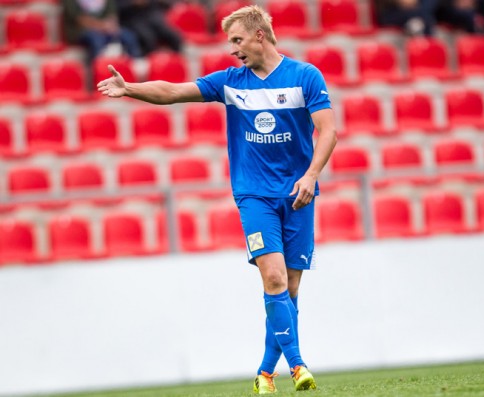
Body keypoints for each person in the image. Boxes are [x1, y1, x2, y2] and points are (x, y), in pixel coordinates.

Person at [97, 4, 337, 394]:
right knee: (273, 276)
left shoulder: (305, 77)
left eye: (237, 40)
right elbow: (174, 91)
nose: (233, 49)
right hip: (254, 195)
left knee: (289, 291)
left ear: (259, 35)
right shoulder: (230, 81)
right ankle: (298, 366)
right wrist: (131, 90)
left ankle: (263, 373)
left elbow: (328, 131)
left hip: (298, 195)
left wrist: (311, 175)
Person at [62, 0, 143, 65]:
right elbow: (80, 19)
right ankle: (100, 71)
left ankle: (135, 69)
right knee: (96, 39)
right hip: (80, 31)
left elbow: (112, 15)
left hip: (105, 29)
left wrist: (111, 26)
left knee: (128, 36)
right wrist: (101, 26)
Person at [116, 0, 184, 56]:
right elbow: (117, 9)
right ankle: (152, 62)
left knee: (172, 34)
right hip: (131, 18)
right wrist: (133, 3)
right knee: (148, 37)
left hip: (149, 14)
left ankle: (176, 59)